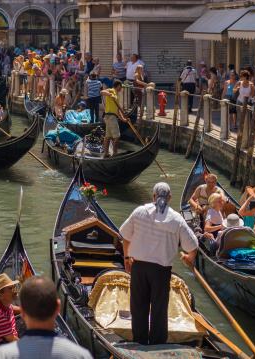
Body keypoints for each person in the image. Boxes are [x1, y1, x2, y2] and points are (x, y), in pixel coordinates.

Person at [120, 182, 198, 345]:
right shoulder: (177, 218)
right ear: (169, 198)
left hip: (139, 268)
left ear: (153, 196)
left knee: (139, 307)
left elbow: (125, 236)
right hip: (161, 272)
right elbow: (193, 245)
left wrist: (127, 258)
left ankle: (140, 342)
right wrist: (190, 258)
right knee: (159, 309)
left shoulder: (140, 211)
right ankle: (157, 344)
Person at [0, 276, 93, 359]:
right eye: (11, 289)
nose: (14, 290)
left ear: (23, 311)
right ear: (57, 308)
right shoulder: (82, 355)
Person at [100, 79, 129, 157]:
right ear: (119, 86)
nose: (121, 88)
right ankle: (115, 154)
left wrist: (124, 119)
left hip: (110, 117)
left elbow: (118, 111)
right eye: (121, 87)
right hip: (110, 117)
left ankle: (106, 154)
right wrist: (110, 95)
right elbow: (102, 92)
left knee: (108, 136)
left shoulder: (116, 95)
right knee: (116, 136)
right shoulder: (112, 91)